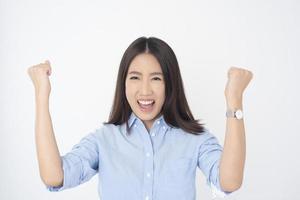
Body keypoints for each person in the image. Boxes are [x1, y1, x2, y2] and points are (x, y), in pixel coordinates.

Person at [27, 36, 253, 200]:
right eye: (135, 77)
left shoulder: (193, 139)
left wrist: (234, 99)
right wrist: (41, 94)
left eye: (156, 79)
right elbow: (54, 176)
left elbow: (229, 181)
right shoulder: (104, 140)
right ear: (123, 83)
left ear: (170, 84)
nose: (145, 91)